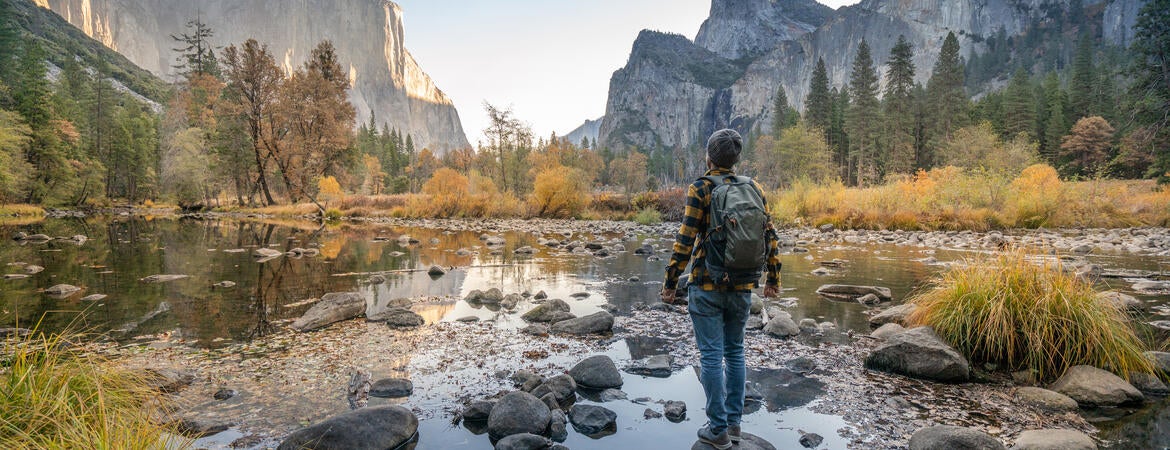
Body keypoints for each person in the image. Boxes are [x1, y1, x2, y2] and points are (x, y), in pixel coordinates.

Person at [661, 128, 781, 449]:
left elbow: (685, 240)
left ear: (709, 157)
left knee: (712, 357)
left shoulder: (700, 188)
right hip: (743, 285)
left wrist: (671, 282)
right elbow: (769, 235)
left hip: (706, 284)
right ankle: (735, 425)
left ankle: (717, 430)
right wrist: (774, 279)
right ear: (736, 159)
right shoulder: (754, 188)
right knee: (736, 351)